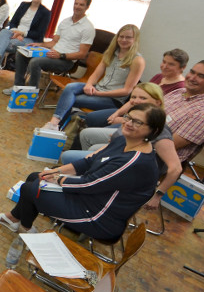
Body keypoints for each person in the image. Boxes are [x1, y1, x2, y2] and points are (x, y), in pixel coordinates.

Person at [0, 103, 164, 240]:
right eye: (128, 117)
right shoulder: (124, 141)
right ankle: (13, 219)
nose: (128, 123)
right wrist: (55, 171)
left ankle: (26, 230)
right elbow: (88, 162)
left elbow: (89, 184)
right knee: (35, 177)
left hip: (98, 218)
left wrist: (57, 178)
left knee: (31, 189)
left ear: (153, 130)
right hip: (90, 198)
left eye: (138, 122)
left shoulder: (135, 161)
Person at [60, 83, 182, 212]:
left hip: (127, 170)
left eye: (143, 98)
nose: (135, 101)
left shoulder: (159, 133)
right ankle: (86, 180)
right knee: (87, 140)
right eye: (133, 97)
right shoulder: (134, 116)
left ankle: (89, 184)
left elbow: (175, 168)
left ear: (157, 102)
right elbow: (115, 144)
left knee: (70, 156)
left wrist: (158, 195)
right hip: (117, 153)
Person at [43, 24, 145, 129]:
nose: (124, 40)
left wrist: (99, 93)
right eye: (121, 36)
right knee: (70, 88)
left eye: (128, 37)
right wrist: (89, 84)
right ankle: (54, 124)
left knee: (73, 99)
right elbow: (96, 74)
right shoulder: (111, 53)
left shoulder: (137, 60)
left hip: (113, 99)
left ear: (135, 39)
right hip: (98, 89)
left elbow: (127, 91)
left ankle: (55, 127)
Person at [1, 0, 95, 94]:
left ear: (87, 7)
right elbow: (54, 42)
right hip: (51, 53)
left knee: (35, 62)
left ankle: (31, 94)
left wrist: (61, 55)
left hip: (66, 61)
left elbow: (82, 54)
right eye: (76, 3)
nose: (77, 7)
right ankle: (18, 87)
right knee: (21, 52)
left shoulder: (88, 28)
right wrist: (39, 45)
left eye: (81, 5)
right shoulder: (65, 21)